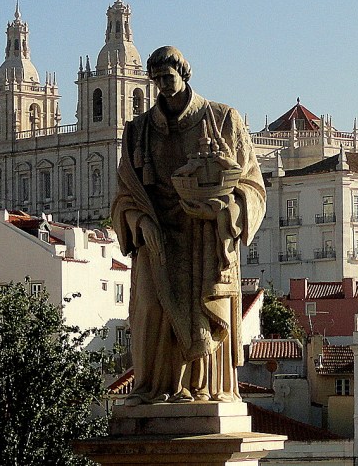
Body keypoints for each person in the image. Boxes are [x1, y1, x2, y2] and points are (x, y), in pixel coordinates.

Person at [112, 46, 266, 404]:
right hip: (156, 237)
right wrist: (138, 222)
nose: (163, 86)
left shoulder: (224, 119)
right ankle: (152, 387)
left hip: (205, 236)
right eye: (157, 80)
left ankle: (200, 389)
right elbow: (124, 195)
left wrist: (224, 210)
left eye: (169, 77)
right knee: (150, 308)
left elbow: (253, 185)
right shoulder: (137, 131)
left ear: (185, 75)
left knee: (201, 312)